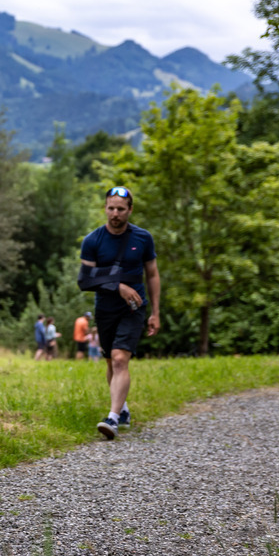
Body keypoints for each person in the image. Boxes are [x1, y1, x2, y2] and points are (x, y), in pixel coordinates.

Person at [80, 186, 160, 439]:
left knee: (119, 359)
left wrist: (155, 312)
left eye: (121, 209)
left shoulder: (143, 238)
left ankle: (112, 418)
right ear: (105, 208)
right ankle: (123, 410)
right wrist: (118, 286)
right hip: (105, 308)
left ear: (130, 210)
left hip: (134, 309)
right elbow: (84, 280)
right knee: (109, 362)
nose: (115, 213)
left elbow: (153, 274)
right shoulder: (92, 240)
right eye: (111, 208)